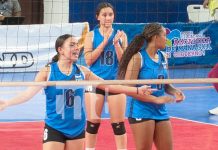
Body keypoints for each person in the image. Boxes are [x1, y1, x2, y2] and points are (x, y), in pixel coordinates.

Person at [0, 34, 156, 150]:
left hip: (77, 129)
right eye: (72, 45)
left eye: (77, 45)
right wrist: (8, 103)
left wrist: (136, 89)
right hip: (55, 127)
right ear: (60, 50)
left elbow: (110, 86)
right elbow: (28, 93)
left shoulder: (83, 71)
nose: (77, 48)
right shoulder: (47, 71)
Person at [117, 23, 185, 150]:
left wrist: (175, 91)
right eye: (164, 35)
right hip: (141, 110)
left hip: (160, 110)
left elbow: (166, 84)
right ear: (155, 37)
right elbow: (127, 89)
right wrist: (155, 99)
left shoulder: (163, 57)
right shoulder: (138, 58)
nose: (167, 39)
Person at [83, 2, 128, 150]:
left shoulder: (121, 35)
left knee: (118, 124)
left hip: (115, 82)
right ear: (97, 17)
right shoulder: (90, 35)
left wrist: (116, 44)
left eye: (110, 14)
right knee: (92, 122)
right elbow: (88, 60)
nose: (108, 18)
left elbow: (124, 63)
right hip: (95, 82)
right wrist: (104, 42)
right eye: (104, 15)